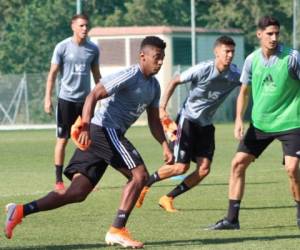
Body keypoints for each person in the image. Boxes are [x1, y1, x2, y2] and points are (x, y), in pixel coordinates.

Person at [4, 36, 172, 248]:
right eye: (156, 57)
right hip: (102, 129)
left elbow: (154, 120)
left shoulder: (154, 87)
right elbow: (94, 94)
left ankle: (20, 210)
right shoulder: (130, 75)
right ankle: (117, 230)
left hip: (102, 134)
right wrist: (84, 124)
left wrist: (165, 145)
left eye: (162, 58)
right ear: (143, 56)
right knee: (140, 175)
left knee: (77, 192)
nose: (160, 62)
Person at [210, 16, 300, 230]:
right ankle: (231, 220)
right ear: (259, 34)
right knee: (237, 164)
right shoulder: (252, 60)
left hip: (291, 122)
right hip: (261, 124)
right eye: (269, 33)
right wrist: (239, 119)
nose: (274, 37)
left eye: (277, 33)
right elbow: (244, 91)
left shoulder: (292, 58)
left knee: (292, 168)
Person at [135, 36, 241, 212]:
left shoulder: (235, 75)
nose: (230, 55)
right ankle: (145, 183)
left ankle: (167, 198)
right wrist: (161, 108)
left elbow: (249, 84)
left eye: (232, 52)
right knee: (180, 167)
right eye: (226, 51)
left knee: (204, 169)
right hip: (188, 121)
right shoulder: (204, 69)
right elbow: (174, 80)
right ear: (216, 52)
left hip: (206, 125)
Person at [44, 14, 101, 191]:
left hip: (85, 101)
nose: (85, 29)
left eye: (87, 26)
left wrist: (101, 97)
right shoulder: (62, 47)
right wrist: (48, 98)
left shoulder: (93, 49)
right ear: (73, 27)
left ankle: (85, 177)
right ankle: (58, 179)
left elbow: (96, 75)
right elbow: (52, 75)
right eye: (82, 26)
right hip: (66, 100)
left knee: (87, 138)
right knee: (63, 139)